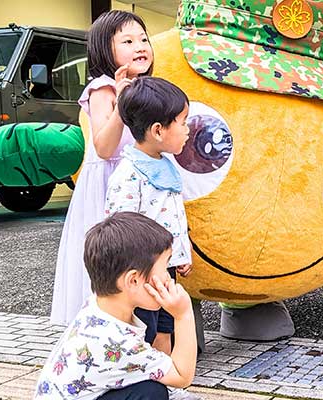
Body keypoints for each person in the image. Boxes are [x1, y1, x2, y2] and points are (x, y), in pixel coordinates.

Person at [51, 10, 154, 325]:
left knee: (142, 257)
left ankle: (143, 331)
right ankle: (106, 329)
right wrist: (122, 104)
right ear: (103, 50)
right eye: (127, 40)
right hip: (109, 185)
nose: (140, 46)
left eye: (144, 39)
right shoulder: (104, 88)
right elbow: (104, 147)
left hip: (140, 183)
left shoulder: (145, 87)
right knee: (116, 259)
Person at [34, 211, 197, 400]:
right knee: (152, 393)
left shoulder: (97, 308)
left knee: (146, 388)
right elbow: (182, 375)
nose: (168, 278)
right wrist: (183, 314)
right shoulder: (117, 342)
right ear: (133, 280)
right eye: (165, 267)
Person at [105, 77, 200, 400]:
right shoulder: (129, 175)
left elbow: (174, 218)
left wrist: (181, 254)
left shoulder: (165, 165)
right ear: (158, 130)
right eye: (183, 123)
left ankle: (166, 384)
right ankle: (140, 385)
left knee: (165, 327)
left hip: (164, 271)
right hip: (140, 277)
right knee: (141, 330)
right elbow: (120, 229)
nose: (188, 130)